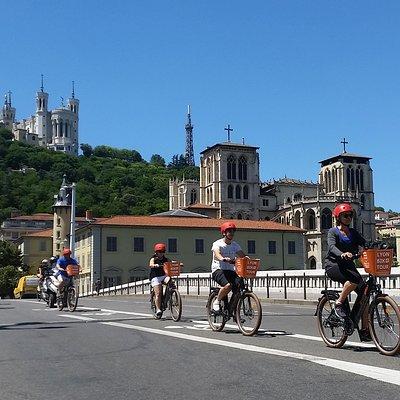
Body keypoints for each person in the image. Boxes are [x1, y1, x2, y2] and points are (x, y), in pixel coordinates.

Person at [325, 203, 370, 340]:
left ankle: (364, 330)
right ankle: (339, 303)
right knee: (354, 280)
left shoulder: (354, 232)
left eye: (350, 215)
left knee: (365, 295)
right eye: (345, 215)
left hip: (348, 266)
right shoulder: (333, 231)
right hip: (333, 265)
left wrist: (375, 245)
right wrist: (342, 253)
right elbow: (331, 246)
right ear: (338, 217)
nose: (349, 217)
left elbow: (364, 242)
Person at [211, 222, 247, 312]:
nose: (231, 233)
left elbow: (242, 255)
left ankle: (233, 310)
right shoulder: (217, 244)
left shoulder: (235, 245)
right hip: (218, 270)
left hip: (230, 271)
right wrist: (222, 259)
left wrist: (248, 259)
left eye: (233, 231)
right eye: (229, 231)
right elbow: (217, 253)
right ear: (224, 233)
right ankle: (217, 301)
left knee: (239, 287)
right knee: (228, 285)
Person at [149, 243, 171, 318]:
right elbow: (151, 264)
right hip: (155, 277)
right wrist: (154, 265)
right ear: (156, 252)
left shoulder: (166, 259)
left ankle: (169, 296)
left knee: (170, 282)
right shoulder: (153, 259)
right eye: (159, 252)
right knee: (158, 293)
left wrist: (178, 264)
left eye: (162, 252)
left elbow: (170, 263)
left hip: (164, 276)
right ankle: (158, 309)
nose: (161, 254)